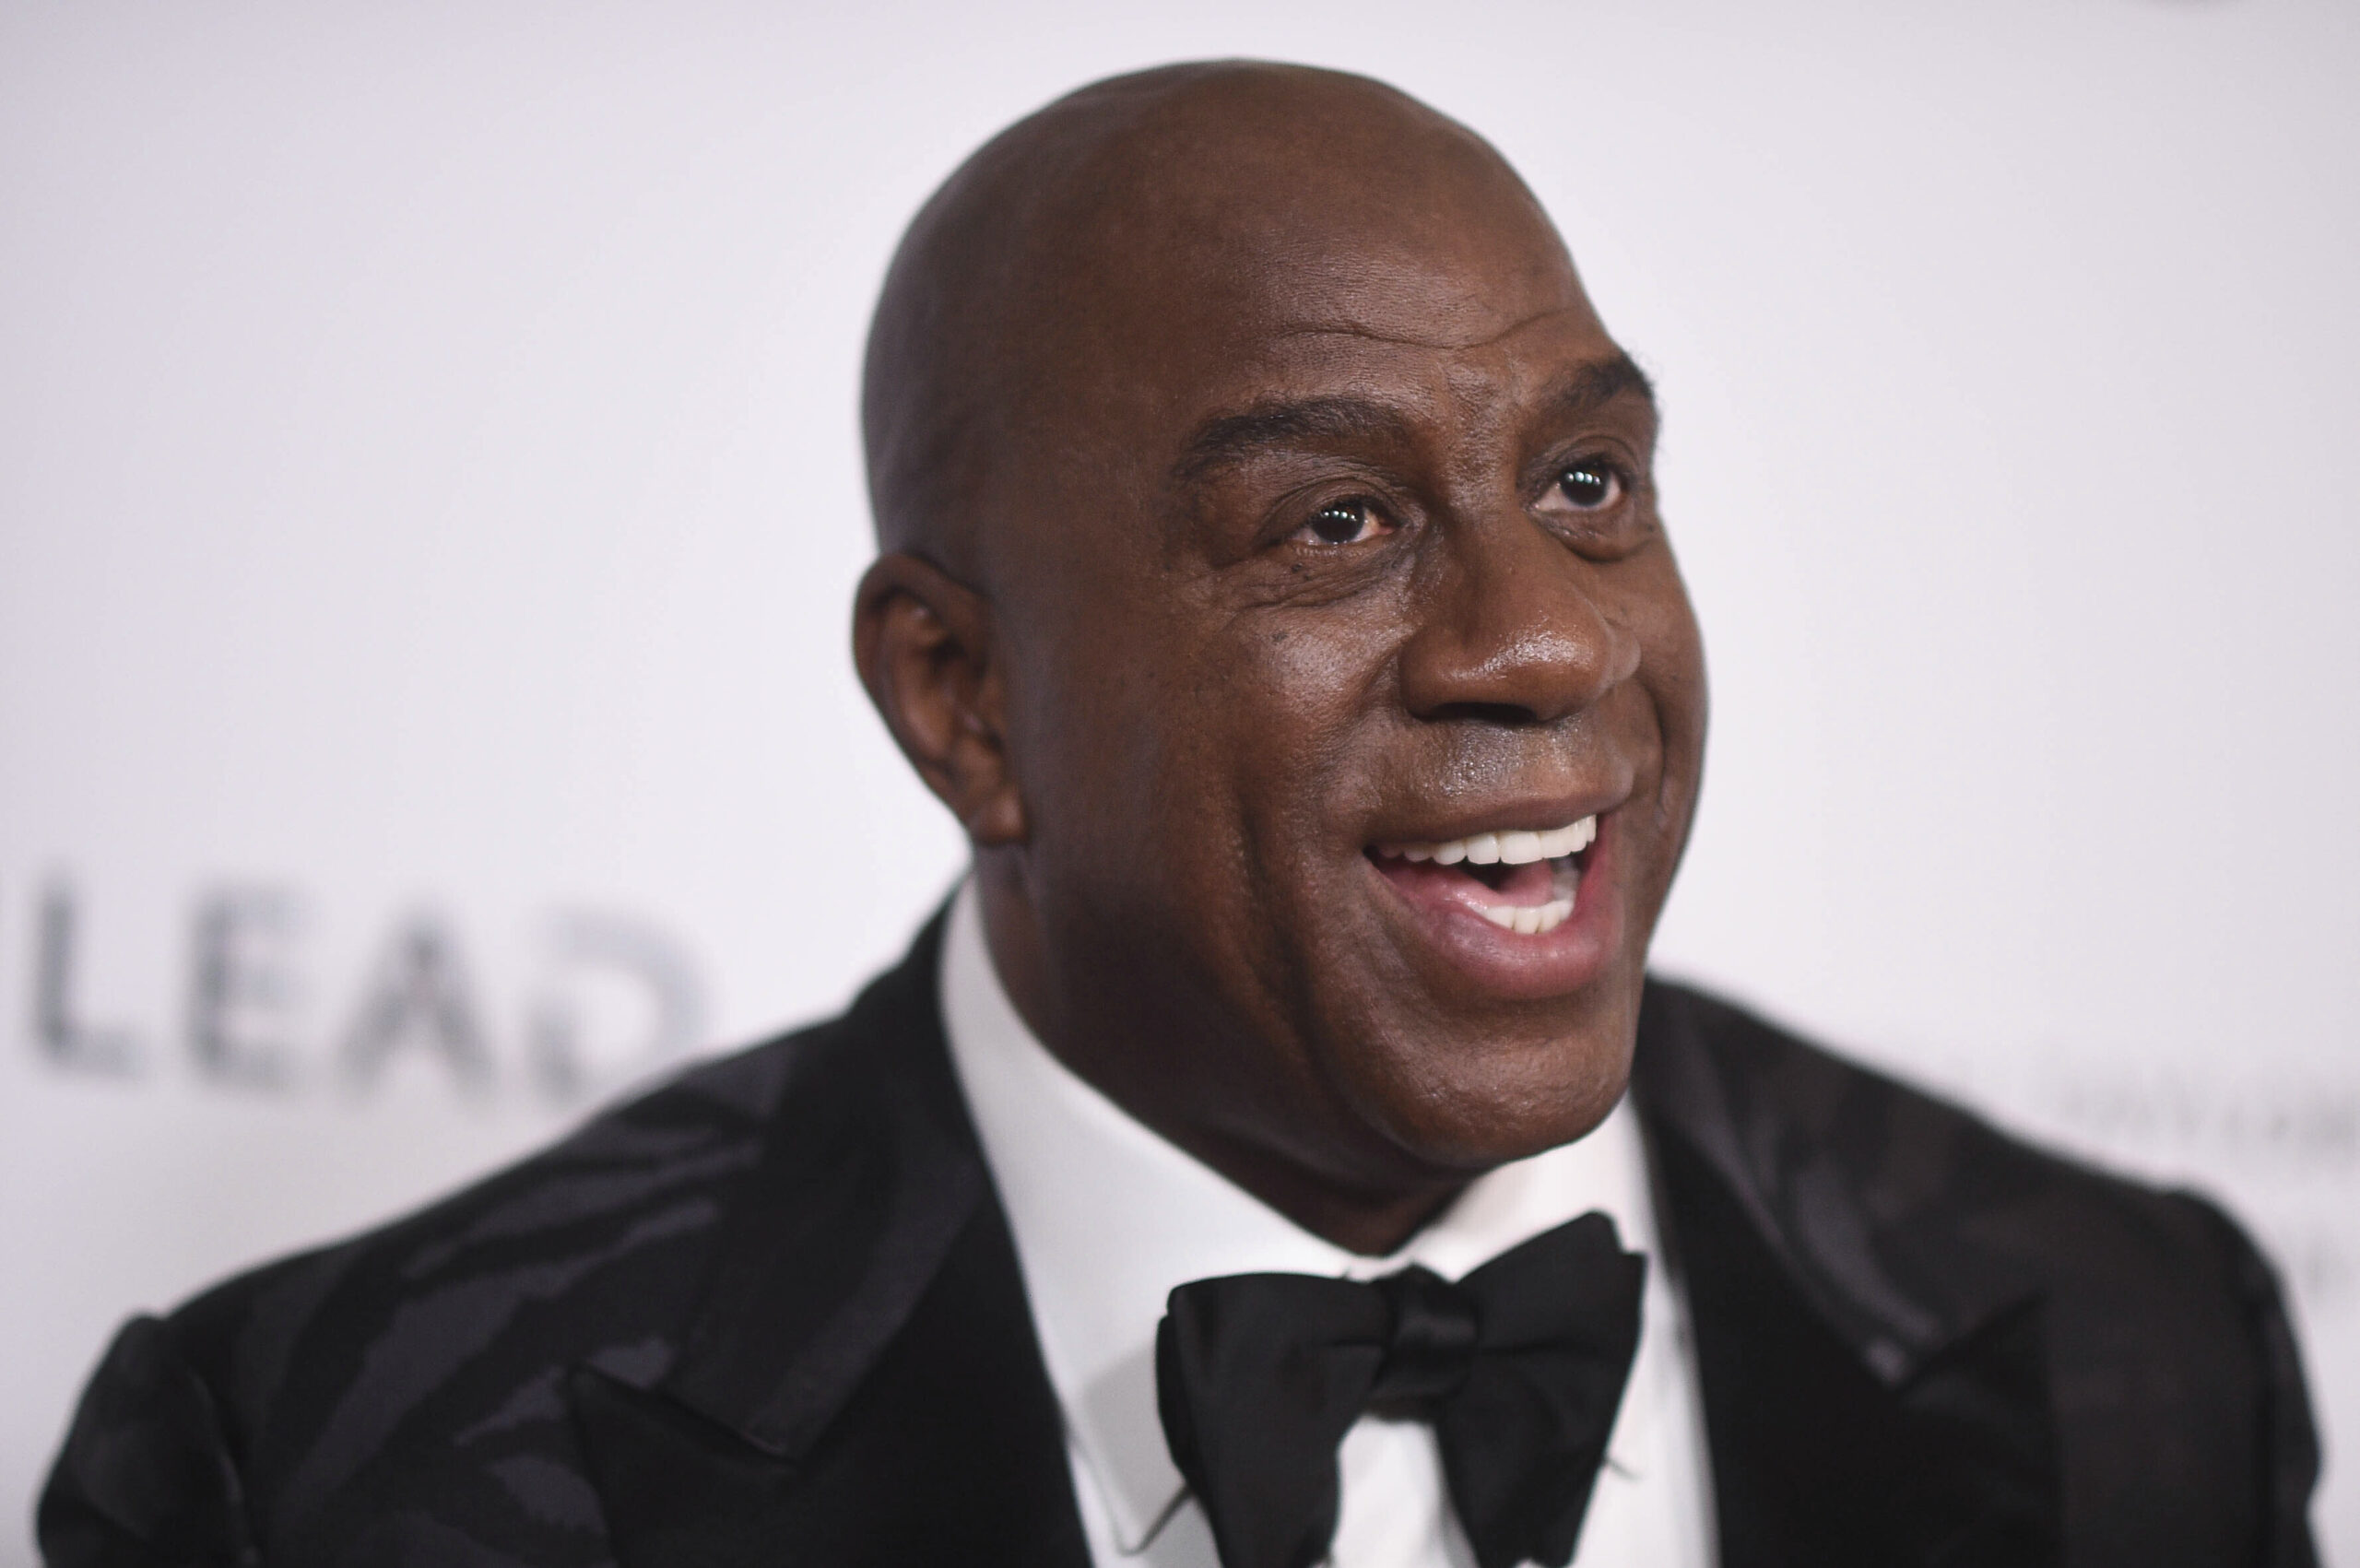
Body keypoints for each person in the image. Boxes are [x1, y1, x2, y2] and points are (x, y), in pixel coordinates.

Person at [39, 61, 2318, 1568]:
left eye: (1585, 480)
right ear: (965, 699)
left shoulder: (2138, 1355)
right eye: (1335, 522)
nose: (1544, 641)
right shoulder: (336, 1468)